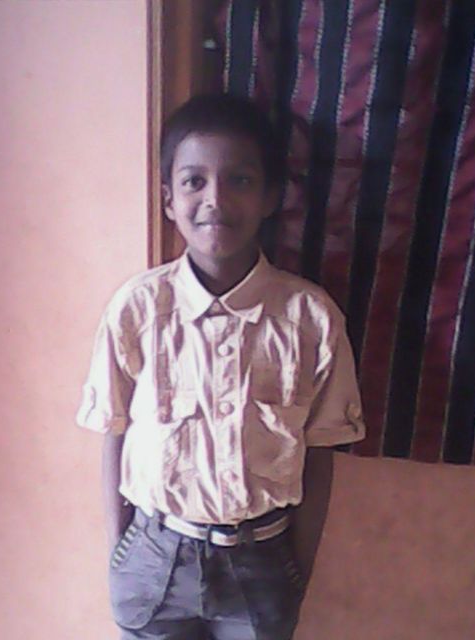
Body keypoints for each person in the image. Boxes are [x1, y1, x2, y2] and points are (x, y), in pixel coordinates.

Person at [76, 93, 365, 639]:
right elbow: (114, 432)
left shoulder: (310, 318)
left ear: (270, 196)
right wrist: (121, 555)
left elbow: (320, 455)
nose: (216, 199)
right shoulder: (138, 309)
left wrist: (296, 571)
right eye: (194, 181)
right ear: (169, 199)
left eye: (240, 180)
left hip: (262, 558)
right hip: (153, 555)